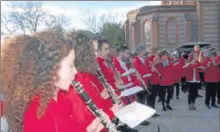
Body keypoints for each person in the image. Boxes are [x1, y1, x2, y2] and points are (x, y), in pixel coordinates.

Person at [1, 28, 77, 132]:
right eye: (71, 65)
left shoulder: (52, 101)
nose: (75, 71)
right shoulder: (40, 115)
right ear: (53, 67)